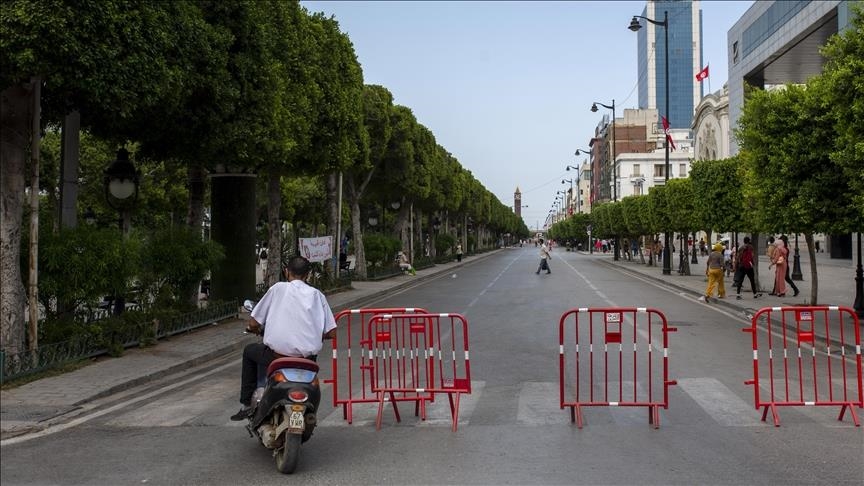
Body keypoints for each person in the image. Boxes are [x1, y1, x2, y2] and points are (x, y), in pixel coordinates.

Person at [231, 255, 337, 421]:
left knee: (249, 351)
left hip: (276, 357)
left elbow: (253, 322)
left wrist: (254, 328)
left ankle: (246, 404)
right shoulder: (317, 295)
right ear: (308, 275)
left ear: (287, 272)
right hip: (307, 360)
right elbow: (332, 332)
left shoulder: (277, 289)